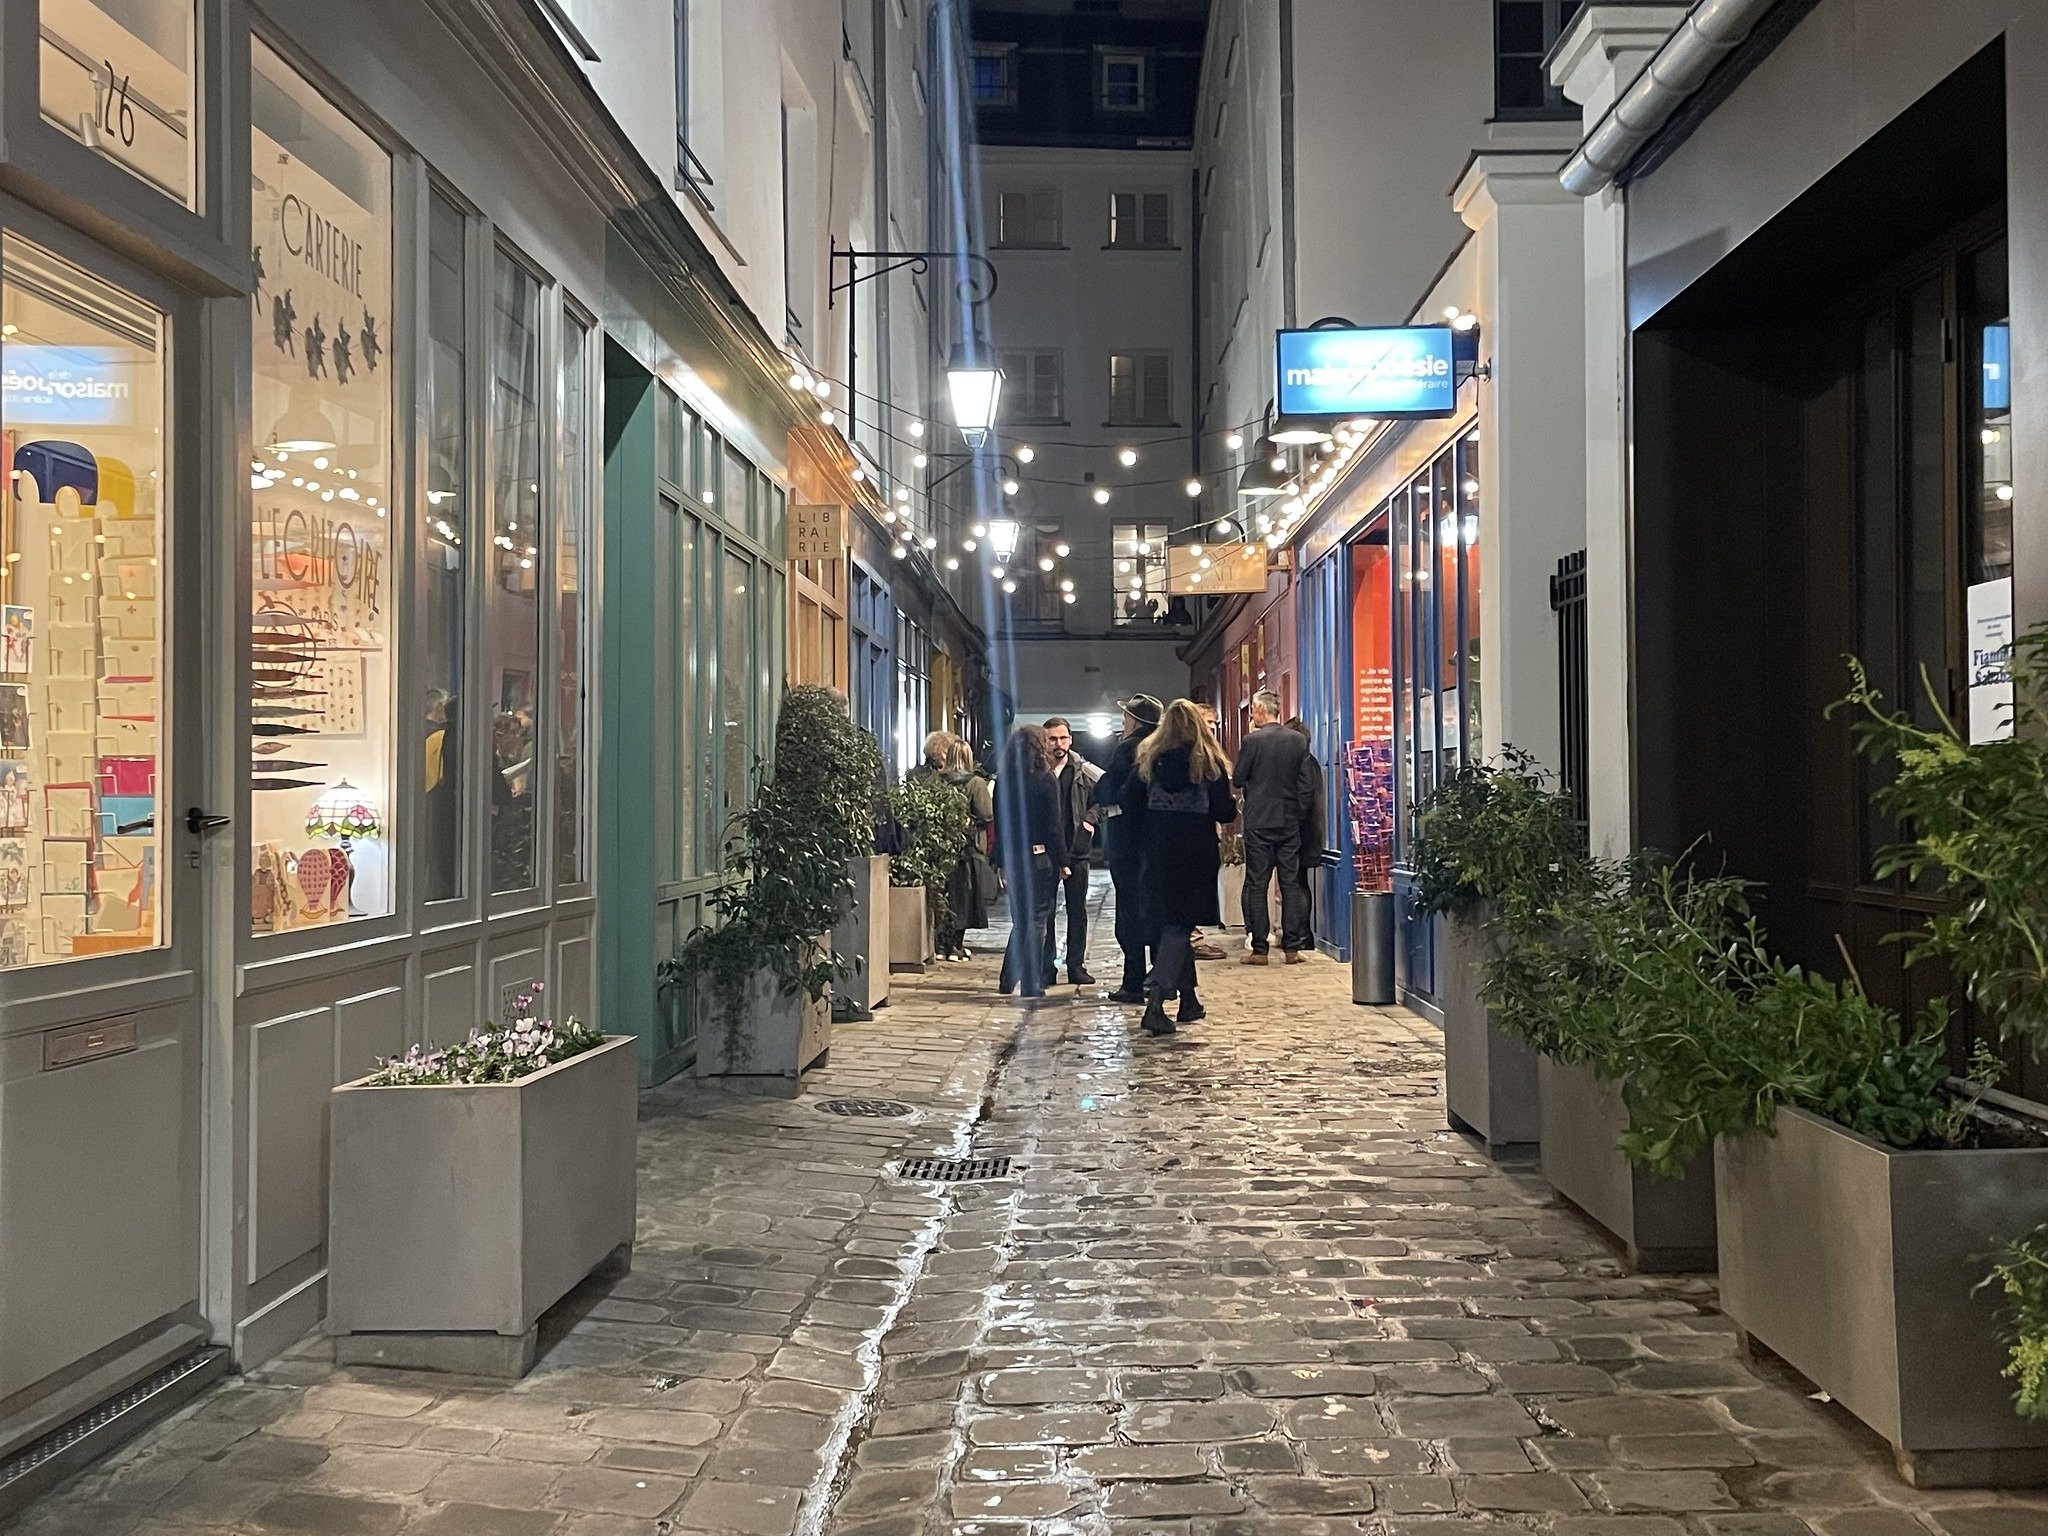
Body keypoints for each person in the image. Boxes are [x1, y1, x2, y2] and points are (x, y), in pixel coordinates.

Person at [1121, 700, 1238, 1035]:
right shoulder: (1208, 762)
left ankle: (1189, 999)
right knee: (1178, 927)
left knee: (1171, 925)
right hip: (1195, 853)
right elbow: (1224, 812)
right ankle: (1157, 999)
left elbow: (1130, 805)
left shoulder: (1149, 760)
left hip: (1157, 853)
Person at [1232, 688, 1317, 963]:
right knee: (1290, 883)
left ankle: (1260, 949)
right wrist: (1296, 813)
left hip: (1259, 820)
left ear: (1258, 709)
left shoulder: (1252, 740)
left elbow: (1238, 777)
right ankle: (1292, 948)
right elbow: (1306, 785)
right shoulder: (1297, 741)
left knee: (1258, 883)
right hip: (1288, 821)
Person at [1094, 693, 1161, 1003]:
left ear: (1134, 721)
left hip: (1127, 841)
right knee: (1159, 910)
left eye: (1125, 717)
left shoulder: (1127, 749)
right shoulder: (1165, 746)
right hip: (1159, 841)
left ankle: (1133, 981)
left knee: (1130, 912)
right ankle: (1162, 976)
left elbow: (1107, 791)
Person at [991, 723, 1063, 1000]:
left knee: (1021, 919)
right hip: (1039, 856)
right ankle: (1032, 983)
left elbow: (999, 824)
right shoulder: (1045, 779)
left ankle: (1008, 978)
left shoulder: (1003, 780)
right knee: (1037, 920)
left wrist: (1001, 861)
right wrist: (1062, 860)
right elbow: (1053, 826)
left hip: (1013, 857)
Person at [1040, 717, 1103, 987]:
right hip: (1046, 851)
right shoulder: (1038, 769)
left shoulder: (1082, 769)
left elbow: (1103, 798)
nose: (1058, 744)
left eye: (1063, 738)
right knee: (1047, 912)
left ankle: (1076, 965)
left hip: (1077, 849)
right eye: (1053, 739)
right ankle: (1047, 967)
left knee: (1077, 910)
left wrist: (1090, 820)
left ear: (1071, 739)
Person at [939, 736, 993, 960]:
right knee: (965, 896)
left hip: (942, 846)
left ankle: (942, 946)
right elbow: (986, 813)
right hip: (969, 848)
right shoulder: (976, 783)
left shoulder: (937, 781)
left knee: (946, 895)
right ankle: (956, 946)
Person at [1286, 716, 1326, 948]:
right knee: (1297, 882)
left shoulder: (1302, 763)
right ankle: (1300, 933)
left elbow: (1303, 798)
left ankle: (1302, 934)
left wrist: (1290, 823)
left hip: (1301, 833)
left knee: (1296, 882)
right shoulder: (1310, 762)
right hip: (1307, 831)